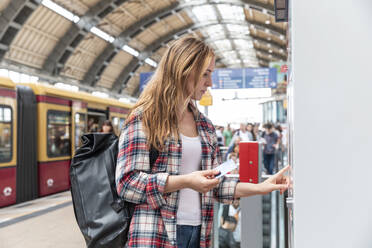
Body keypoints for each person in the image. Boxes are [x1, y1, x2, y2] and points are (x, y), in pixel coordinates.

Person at [115, 36, 289, 248]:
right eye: (205, 74)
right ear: (183, 70)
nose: (210, 83)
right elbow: (127, 184)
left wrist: (261, 187)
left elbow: (215, 184)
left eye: (211, 74)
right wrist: (185, 181)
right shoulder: (145, 118)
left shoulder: (205, 126)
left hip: (199, 232)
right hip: (154, 233)